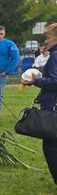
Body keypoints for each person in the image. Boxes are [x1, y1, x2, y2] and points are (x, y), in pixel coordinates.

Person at [27, 24, 57, 184]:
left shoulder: (55, 56)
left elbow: (54, 81)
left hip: (53, 106)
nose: (45, 41)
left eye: (48, 37)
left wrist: (36, 80)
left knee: (51, 146)